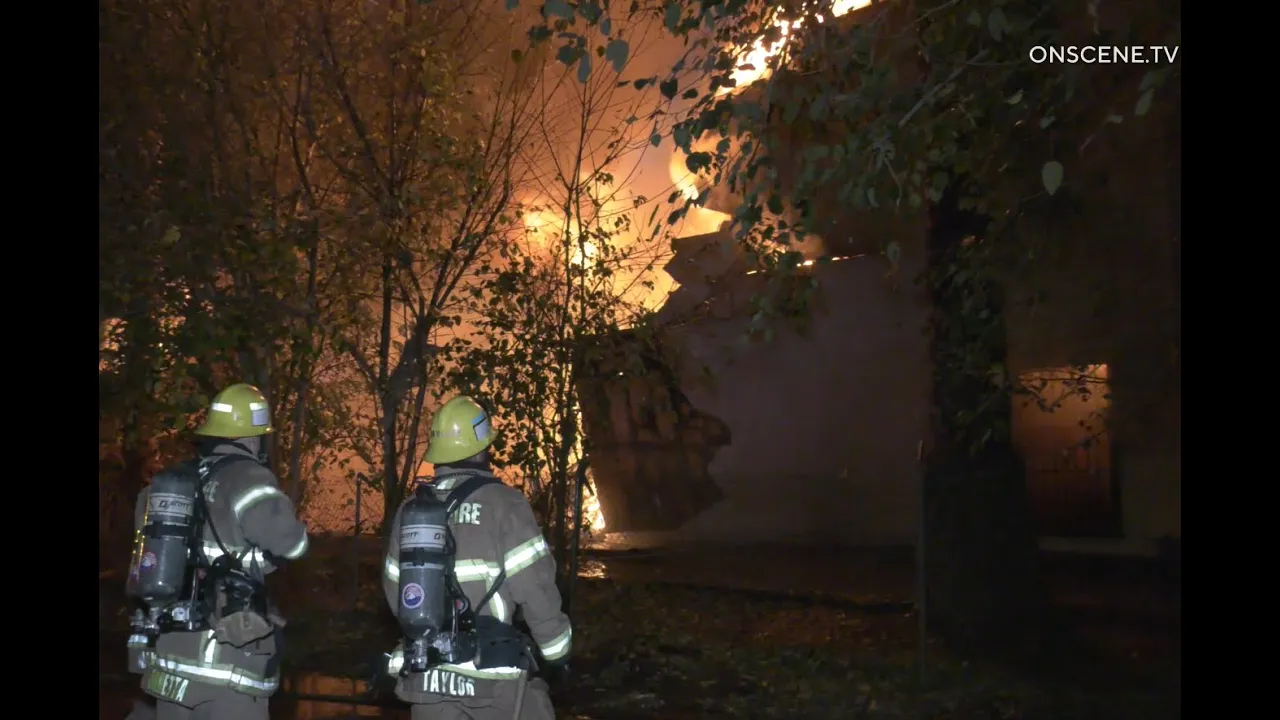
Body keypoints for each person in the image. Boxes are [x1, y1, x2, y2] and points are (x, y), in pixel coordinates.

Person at [126, 383, 310, 720]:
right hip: (226, 668)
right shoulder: (250, 479)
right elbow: (292, 544)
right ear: (254, 438)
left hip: (169, 665)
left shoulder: (171, 482)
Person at [381, 394, 572, 720]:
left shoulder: (411, 510)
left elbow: (395, 590)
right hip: (491, 679)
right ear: (483, 448)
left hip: (428, 676)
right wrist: (557, 652)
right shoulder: (505, 505)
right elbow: (535, 588)